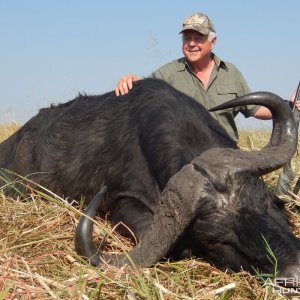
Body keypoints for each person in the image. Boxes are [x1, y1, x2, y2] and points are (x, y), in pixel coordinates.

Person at [115, 12, 273, 142]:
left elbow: (256, 109)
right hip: (187, 159)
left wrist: (288, 106)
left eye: (198, 38)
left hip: (226, 158)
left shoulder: (231, 72)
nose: (191, 44)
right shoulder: (169, 73)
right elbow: (146, 91)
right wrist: (130, 81)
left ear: (213, 42)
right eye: (187, 38)